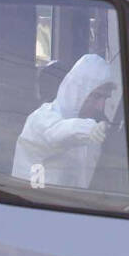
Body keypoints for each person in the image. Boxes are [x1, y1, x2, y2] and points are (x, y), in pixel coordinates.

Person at [11, 53, 117, 190]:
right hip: (32, 206)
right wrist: (89, 130)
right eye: (96, 96)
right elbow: (57, 132)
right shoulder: (41, 119)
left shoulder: (91, 132)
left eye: (105, 98)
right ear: (79, 91)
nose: (101, 106)